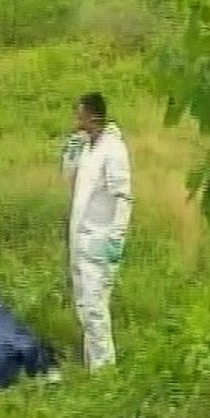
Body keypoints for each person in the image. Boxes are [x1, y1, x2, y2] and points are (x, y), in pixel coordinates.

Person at [61, 92, 133, 373]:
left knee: (95, 308)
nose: (76, 120)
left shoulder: (113, 150)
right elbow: (71, 181)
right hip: (80, 239)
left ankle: (104, 373)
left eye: (79, 114)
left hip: (101, 240)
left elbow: (123, 197)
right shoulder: (88, 147)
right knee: (83, 306)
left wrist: (115, 239)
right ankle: (94, 366)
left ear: (92, 116)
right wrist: (71, 154)